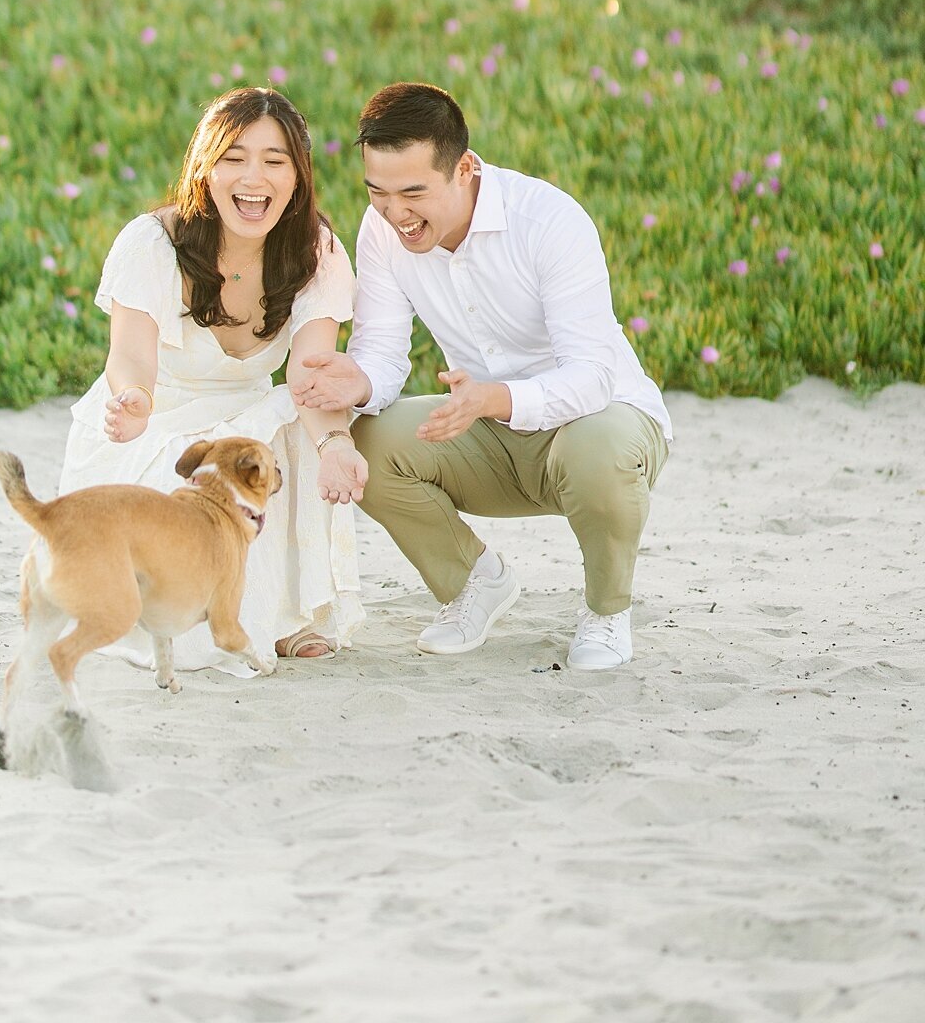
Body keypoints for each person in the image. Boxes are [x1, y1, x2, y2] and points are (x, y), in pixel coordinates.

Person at [291, 82, 672, 671]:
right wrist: (358, 382)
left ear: (464, 167)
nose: (396, 214)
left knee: (600, 447)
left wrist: (495, 397)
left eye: (414, 192)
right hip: (489, 431)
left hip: (601, 421)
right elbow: (384, 355)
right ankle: (475, 582)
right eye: (378, 193)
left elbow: (593, 376)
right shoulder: (382, 231)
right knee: (369, 439)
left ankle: (605, 611)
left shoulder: (548, 220)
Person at [58, 87, 367, 674]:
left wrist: (336, 444)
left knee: (288, 432)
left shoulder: (316, 252)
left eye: (275, 161)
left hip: (242, 412)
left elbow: (311, 376)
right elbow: (130, 356)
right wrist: (134, 400)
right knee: (188, 469)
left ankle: (288, 615)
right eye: (234, 157)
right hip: (152, 417)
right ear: (204, 169)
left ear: (298, 177)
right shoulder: (153, 243)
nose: (255, 177)